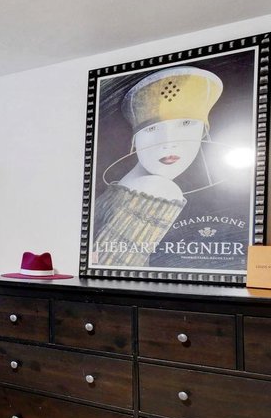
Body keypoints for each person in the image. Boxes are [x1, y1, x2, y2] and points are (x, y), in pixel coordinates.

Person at [93, 66, 223, 267]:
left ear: (204, 130)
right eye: (152, 128)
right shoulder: (158, 190)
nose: (168, 142)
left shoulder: (125, 186)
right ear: (135, 138)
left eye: (186, 123)